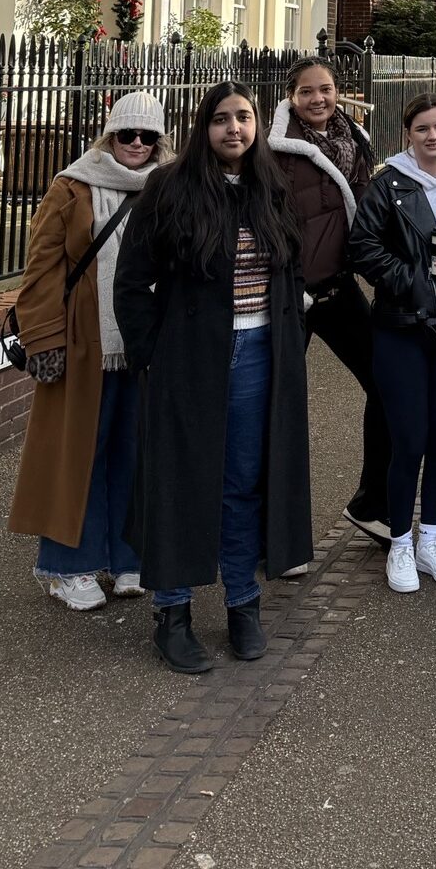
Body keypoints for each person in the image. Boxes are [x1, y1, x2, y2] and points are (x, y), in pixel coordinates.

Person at [115, 82, 313, 673]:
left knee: (242, 482)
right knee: (182, 481)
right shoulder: (169, 188)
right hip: (189, 358)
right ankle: (171, 615)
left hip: (258, 354)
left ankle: (242, 605)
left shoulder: (272, 187)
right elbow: (131, 281)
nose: (234, 128)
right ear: (203, 128)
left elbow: (292, 271)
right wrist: (152, 352)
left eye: (245, 117)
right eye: (222, 119)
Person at [9, 92, 173, 610]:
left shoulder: (171, 187)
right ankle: (67, 566)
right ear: (110, 136)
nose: (138, 145)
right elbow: (41, 271)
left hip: (145, 344)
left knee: (135, 452)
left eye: (149, 137)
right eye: (128, 135)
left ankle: (127, 558)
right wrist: (43, 340)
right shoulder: (70, 186)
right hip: (84, 344)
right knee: (77, 454)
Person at [349, 97, 436, 594]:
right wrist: (413, 279)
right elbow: (362, 248)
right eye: (423, 129)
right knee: (407, 440)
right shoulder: (386, 186)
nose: (433, 137)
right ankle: (401, 541)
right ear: (408, 132)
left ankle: (433, 536)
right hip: (400, 329)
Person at [268, 57, 390, 549]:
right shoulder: (272, 148)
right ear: (291, 97)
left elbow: (368, 212)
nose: (318, 99)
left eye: (326, 89)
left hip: (339, 287)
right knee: (276, 410)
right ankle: (273, 533)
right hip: (288, 295)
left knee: (386, 385)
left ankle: (371, 504)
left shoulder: (353, 138)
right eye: (306, 92)